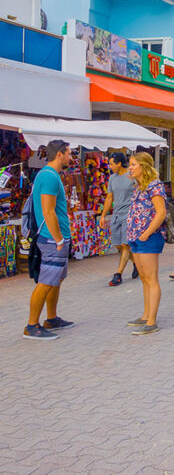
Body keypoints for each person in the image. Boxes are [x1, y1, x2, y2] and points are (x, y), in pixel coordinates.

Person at [23, 140, 74, 340]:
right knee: (46, 281)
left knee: (56, 279)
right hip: (52, 238)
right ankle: (32, 325)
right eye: (69, 153)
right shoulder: (50, 177)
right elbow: (48, 211)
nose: (71, 157)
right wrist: (58, 239)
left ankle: (51, 318)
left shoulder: (49, 175)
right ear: (60, 154)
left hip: (56, 237)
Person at [126, 152, 167, 335]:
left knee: (151, 279)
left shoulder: (154, 186)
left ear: (144, 166)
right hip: (136, 236)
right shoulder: (138, 187)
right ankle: (145, 315)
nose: (130, 168)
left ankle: (151, 321)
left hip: (148, 237)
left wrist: (146, 233)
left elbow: (161, 213)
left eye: (133, 164)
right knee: (144, 278)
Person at [100, 152, 137, 287]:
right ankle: (136, 264)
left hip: (129, 214)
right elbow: (109, 197)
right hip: (116, 214)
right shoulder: (112, 178)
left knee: (125, 244)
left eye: (111, 164)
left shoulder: (131, 175)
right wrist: (103, 215)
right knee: (118, 245)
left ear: (119, 163)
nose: (109, 166)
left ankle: (118, 274)